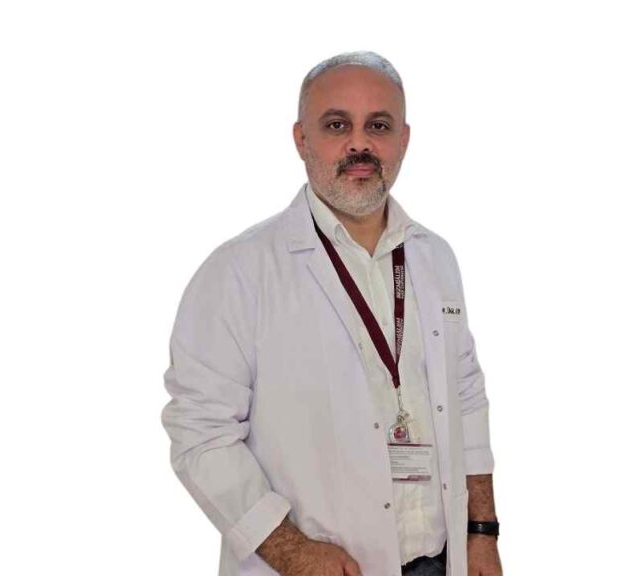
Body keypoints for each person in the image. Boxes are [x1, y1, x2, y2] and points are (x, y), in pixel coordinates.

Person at [161, 51, 502, 576]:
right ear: (301, 139)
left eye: (378, 126)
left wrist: (481, 533)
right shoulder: (239, 272)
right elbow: (200, 433)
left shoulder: (435, 258)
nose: (360, 145)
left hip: (439, 560)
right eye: (337, 125)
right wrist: (293, 553)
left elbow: (466, 398)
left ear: (404, 139)